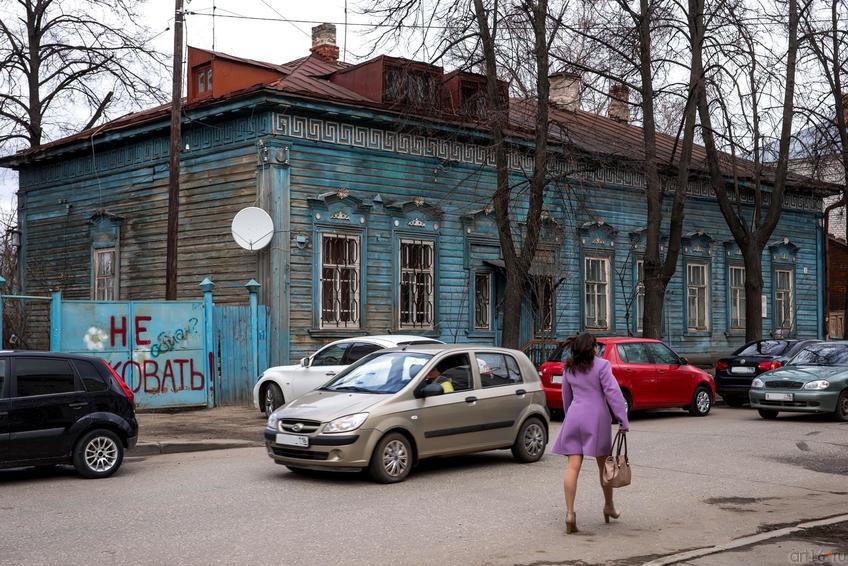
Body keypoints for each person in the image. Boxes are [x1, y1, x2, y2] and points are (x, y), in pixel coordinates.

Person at [550, 332, 630, 534]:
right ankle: (609, 506)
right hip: (597, 419)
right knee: (605, 466)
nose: (598, 349)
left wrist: (570, 417)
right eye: (596, 345)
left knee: (572, 467)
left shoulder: (569, 368)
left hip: (575, 417)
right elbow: (613, 393)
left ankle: (569, 514)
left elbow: (566, 397)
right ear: (592, 347)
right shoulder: (602, 366)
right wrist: (622, 418)